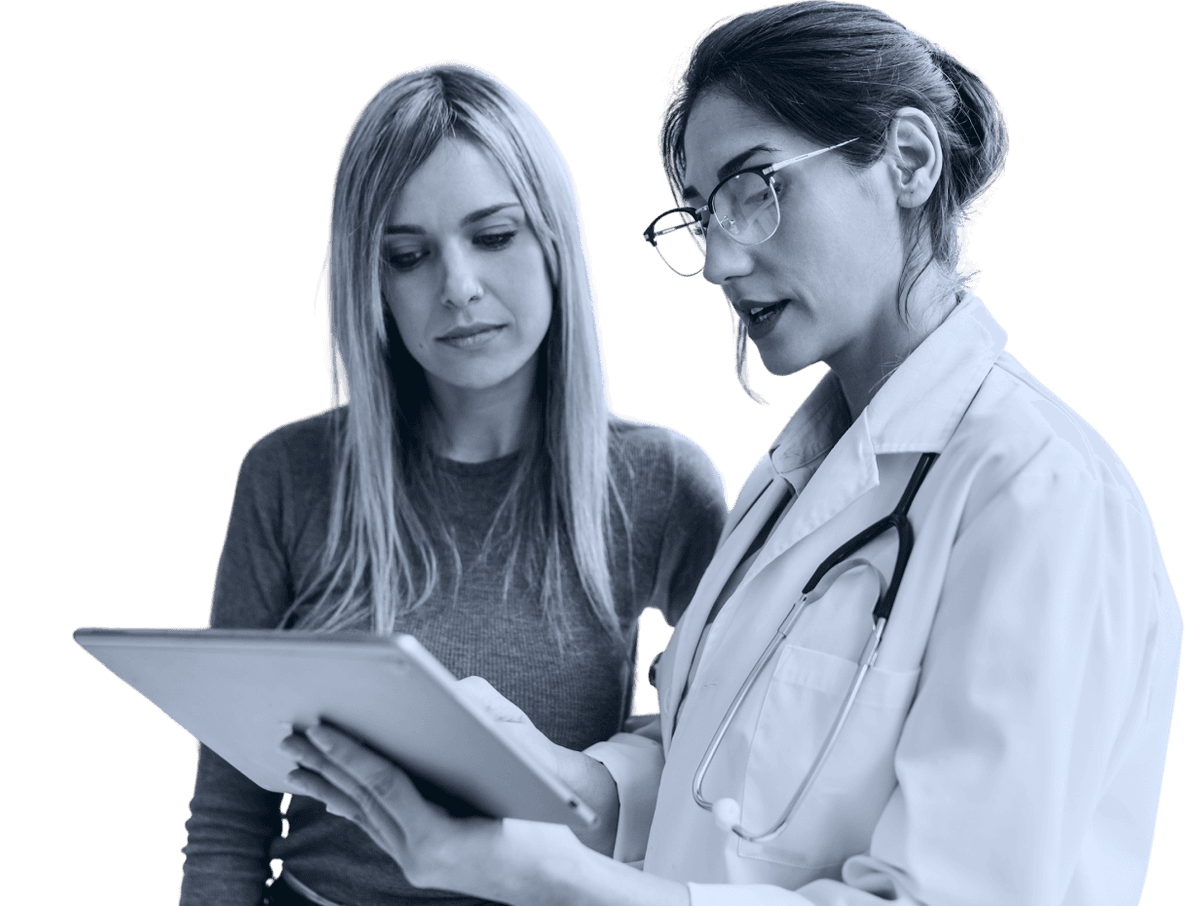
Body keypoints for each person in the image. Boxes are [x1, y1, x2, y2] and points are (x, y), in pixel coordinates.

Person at [280, 3, 1184, 905]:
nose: (718, 258)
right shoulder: (790, 481)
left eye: (756, 189)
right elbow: (717, 768)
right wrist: (572, 782)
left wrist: (549, 879)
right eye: (704, 214)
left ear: (908, 160)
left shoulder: (1038, 495)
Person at [177, 63, 729, 906]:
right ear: (375, 281)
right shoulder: (289, 475)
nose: (458, 287)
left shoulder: (665, 483)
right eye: (408, 255)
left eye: (495, 235)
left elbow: (721, 754)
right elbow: (227, 821)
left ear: (554, 242)